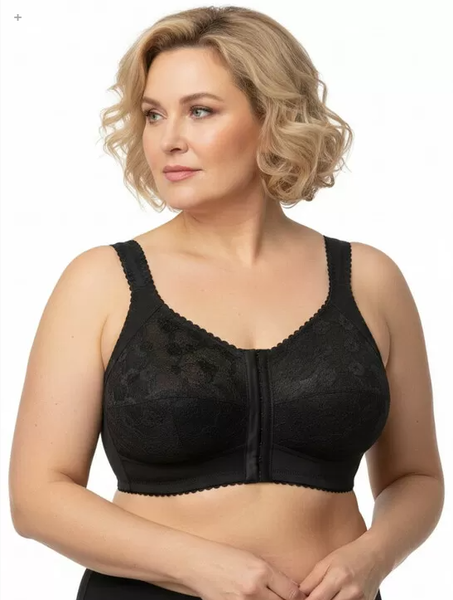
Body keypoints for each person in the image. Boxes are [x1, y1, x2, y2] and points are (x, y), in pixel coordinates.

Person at [8, 6, 444, 600]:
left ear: (274, 118)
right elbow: (37, 497)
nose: (169, 139)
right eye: (154, 114)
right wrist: (199, 566)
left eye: (200, 111)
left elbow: (415, 476)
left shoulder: (370, 279)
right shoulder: (101, 282)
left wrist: (371, 559)